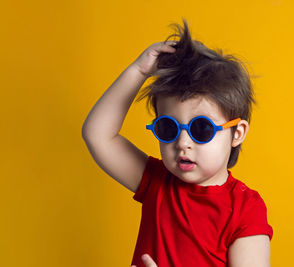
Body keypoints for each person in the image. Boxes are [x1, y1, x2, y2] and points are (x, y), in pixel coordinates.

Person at [82, 18, 273, 267]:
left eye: (201, 129)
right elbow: (98, 135)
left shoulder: (245, 210)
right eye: (168, 127)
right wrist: (138, 72)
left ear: (237, 133)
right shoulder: (157, 183)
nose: (183, 142)